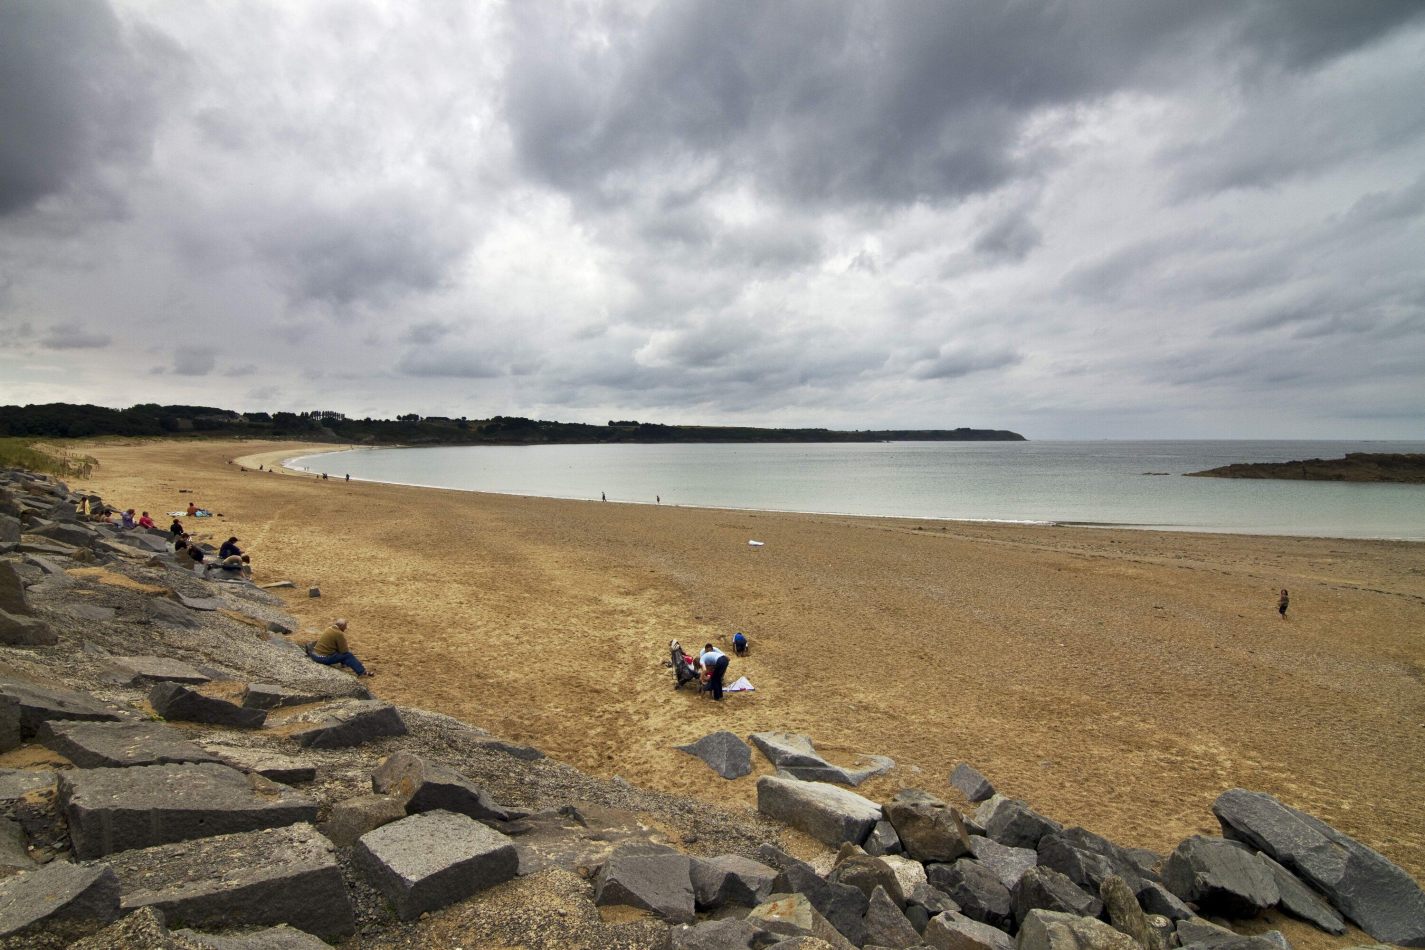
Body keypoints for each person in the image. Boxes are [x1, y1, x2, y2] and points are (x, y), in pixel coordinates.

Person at [307, 619, 373, 676]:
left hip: (314, 654)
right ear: (341, 626)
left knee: (340, 653)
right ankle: (362, 671)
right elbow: (344, 651)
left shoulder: (329, 628)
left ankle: (344, 664)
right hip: (322, 658)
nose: (346, 628)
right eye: (345, 626)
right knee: (348, 655)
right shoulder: (339, 634)